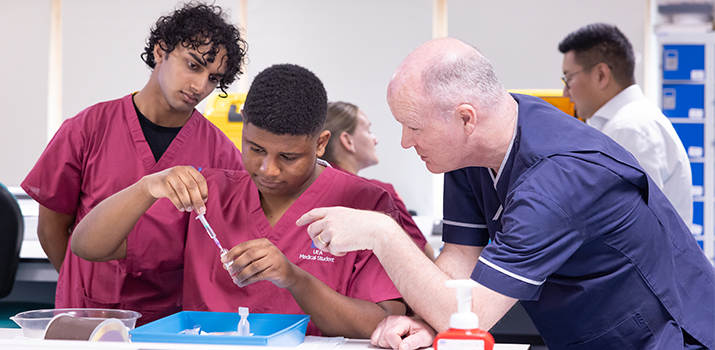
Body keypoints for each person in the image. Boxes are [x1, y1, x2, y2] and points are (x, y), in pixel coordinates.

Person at [297, 38, 715, 350]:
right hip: (584, 333)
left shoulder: (559, 178)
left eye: (414, 127)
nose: (405, 142)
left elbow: (470, 314)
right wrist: (422, 321)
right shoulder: (475, 150)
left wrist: (382, 234)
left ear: (466, 118)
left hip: (664, 335)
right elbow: (460, 260)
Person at [71, 64, 407, 338]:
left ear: (320, 144)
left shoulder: (365, 203)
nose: (268, 169)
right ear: (243, 127)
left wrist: (295, 278)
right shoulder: (211, 195)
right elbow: (88, 246)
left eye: (288, 157)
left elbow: (383, 323)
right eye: (255, 149)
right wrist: (145, 188)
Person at [21, 2, 247, 325]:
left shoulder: (222, 155)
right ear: (160, 50)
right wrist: (83, 282)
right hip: (87, 314)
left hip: (170, 322)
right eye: (193, 65)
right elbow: (51, 229)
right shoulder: (87, 129)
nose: (200, 86)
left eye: (213, 78)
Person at [559, 23, 693, 225]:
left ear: (601, 75)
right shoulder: (630, 121)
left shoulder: (630, 129)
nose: (565, 92)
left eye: (568, 79)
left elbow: (636, 227)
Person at [322, 101, 435, 260]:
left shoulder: (305, 189)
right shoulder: (379, 193)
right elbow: (423, 253)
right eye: (369, 130)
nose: (375, 139)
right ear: (348, 141)